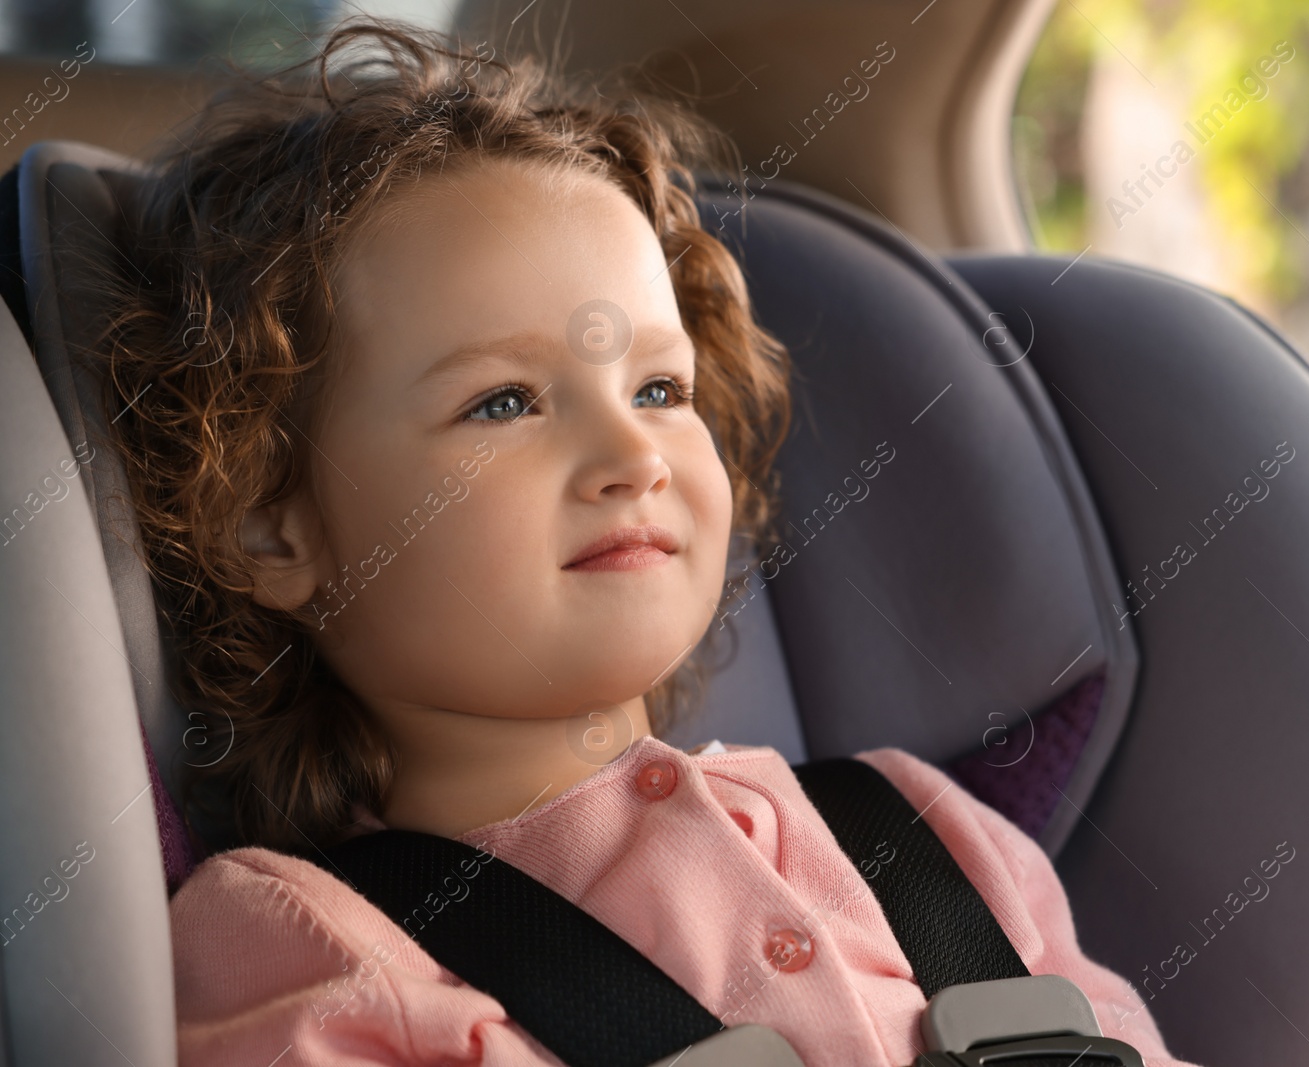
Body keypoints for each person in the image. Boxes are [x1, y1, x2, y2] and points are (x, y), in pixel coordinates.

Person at [93, 17, 1203, 1067]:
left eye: (661, 387)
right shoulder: (315, 947)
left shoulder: (926, 836)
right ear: (269, 523)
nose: (634, 451)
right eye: (505, 402)